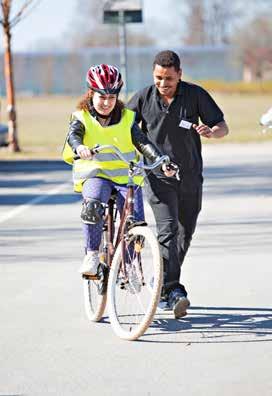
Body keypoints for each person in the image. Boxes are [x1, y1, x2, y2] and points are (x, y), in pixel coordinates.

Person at [127, 50, 229, 318]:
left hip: (190, 176)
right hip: (158, 177)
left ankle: (162, 282)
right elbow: (125, 128)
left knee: (186, 232)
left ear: (179, 74)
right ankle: (173, 289)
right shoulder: (142, 98)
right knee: (168, 229)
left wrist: (212, 132)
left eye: (169, 78)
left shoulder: (195, 95)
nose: (163, 84)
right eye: (159, 78)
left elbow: (222, 126)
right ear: (153, 74)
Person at [62, 64, 175, 277]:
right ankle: (93, 255)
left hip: (126, 177)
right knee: (93, 205)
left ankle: (131, 264)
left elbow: (142, 143)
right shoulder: (81, 117)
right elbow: (73, 136)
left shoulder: (126, 118)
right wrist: (80, 147)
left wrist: (161, 161)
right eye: (101, 97)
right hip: (96, 174)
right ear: (91, 93)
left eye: (111, 97)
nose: (106, 103)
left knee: (136, 220)